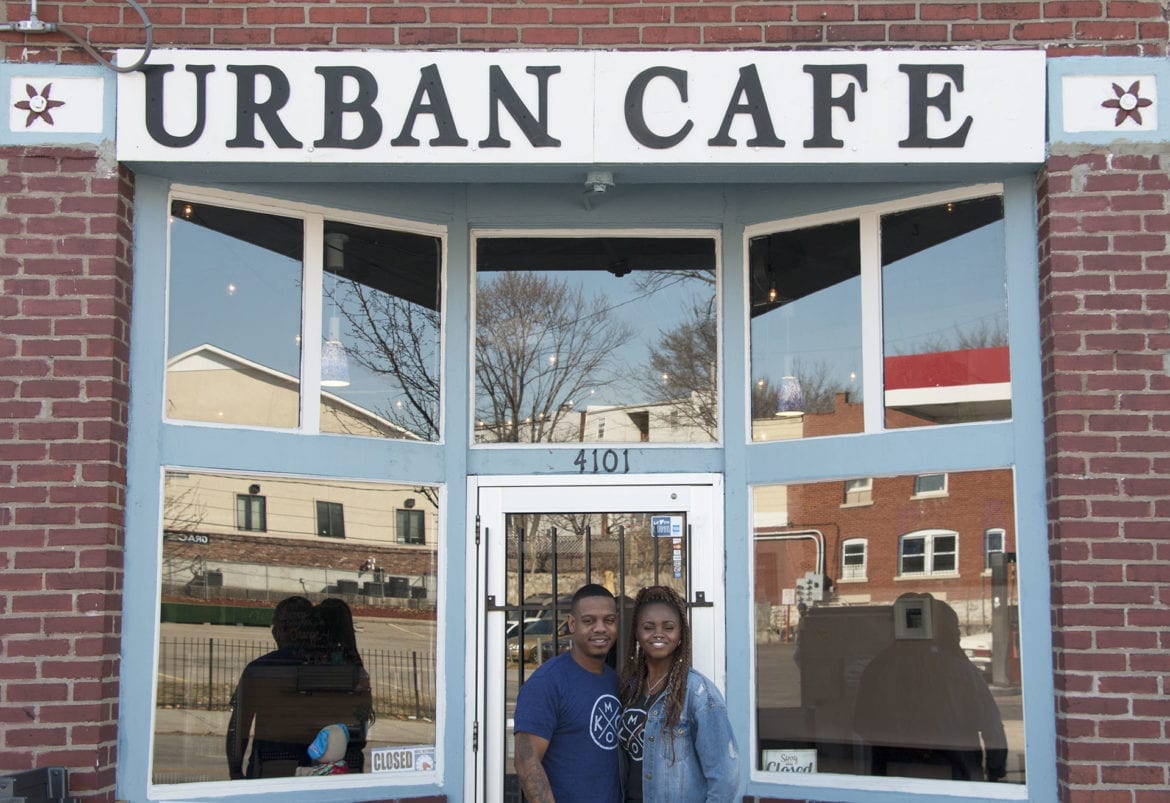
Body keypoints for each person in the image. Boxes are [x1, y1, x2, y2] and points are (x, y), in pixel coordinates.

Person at [852, 593, 1008, 782]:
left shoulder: (880, 667)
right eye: (955, 629)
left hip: (897, 777)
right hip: (955, 774)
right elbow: (991, 726)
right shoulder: (962, 671)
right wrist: (995, 772)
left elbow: (862, 723)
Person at [618, 586, 739, 803]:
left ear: (681, 633)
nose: (658, 634)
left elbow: (725, 778)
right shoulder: (630, 689)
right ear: (637, 633)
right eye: (648, 627)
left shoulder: (699, 694)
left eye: (668, 627)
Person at [514, 583, 622, 803]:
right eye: (589, 621)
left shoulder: (615, 681)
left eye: (608, 621)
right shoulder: (548, 681)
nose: (600, 628)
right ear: (572, 624)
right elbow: (526, 759)